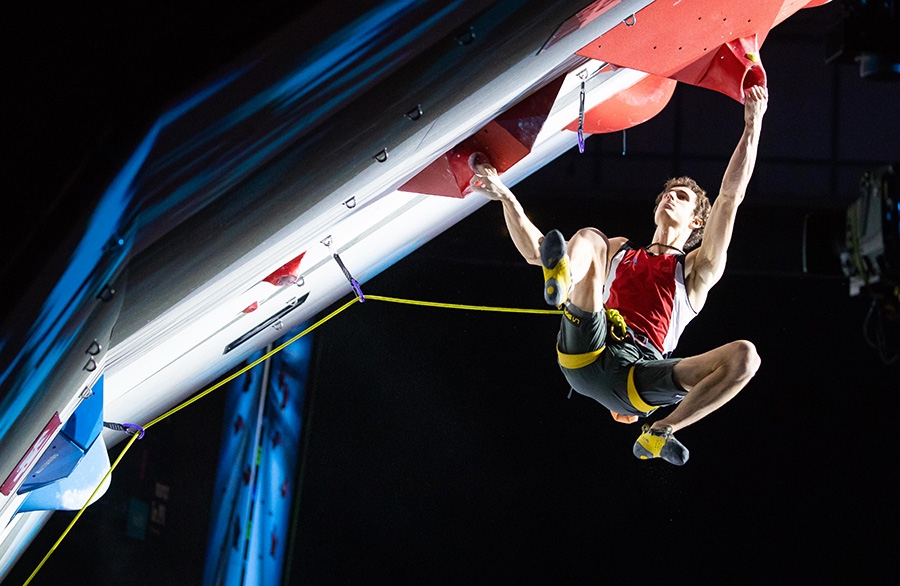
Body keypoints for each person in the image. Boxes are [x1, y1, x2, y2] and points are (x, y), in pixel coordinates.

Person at [469, 85, 768, 465]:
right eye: (666, 193)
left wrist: (752, 123)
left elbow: (729, 198)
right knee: (591, 239)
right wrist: (506, 197)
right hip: (590, 343)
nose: (668, 197)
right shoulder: (620, 249)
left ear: (696, 221)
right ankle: (562, 280)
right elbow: (535, 250)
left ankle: (662, 431)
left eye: (680, 196)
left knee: (746, 357)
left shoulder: (695, 269)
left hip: (638, 374)